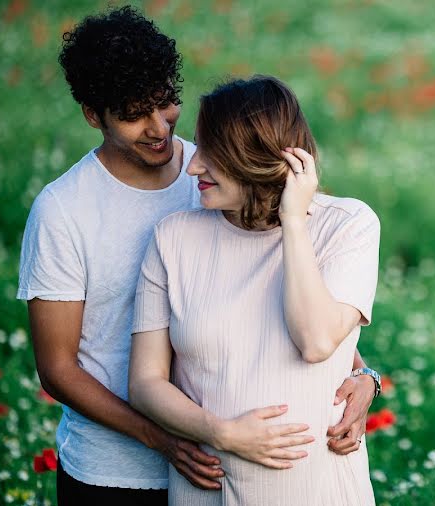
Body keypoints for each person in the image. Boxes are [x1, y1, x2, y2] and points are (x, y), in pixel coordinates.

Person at [17, 6, 380, 505]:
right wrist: (167, 439)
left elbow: (286, 298)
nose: (158, 129)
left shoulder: (218, 172)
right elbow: (57, 369)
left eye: (165, 104)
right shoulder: (64, 211)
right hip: (117, 470)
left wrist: (362, 374)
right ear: (92, 115)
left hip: (218, 465)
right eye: (131, 114)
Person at [128, 75, 379, 505]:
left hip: (319, 489)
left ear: (259, 158)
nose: (193, 166)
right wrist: (221, 432)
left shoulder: (347, 226)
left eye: (212, 153)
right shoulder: (172, 239)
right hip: (210, 491)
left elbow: (316, 341)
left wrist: (294, 222)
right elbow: (145, 382)